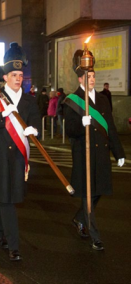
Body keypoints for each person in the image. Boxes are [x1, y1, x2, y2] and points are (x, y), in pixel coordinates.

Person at [0, 42, 41, 261]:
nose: (17, 78)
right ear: (5, 77)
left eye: (20, 75)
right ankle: (14, 246)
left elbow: (34, 124)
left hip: (18, 158)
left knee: (7, 198)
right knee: (7, 201)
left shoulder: (30, 101)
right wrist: (2, 116)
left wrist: (35, 131)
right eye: (13, 74)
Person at [64, 49, 125, 251]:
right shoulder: (72, 101)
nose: (92, 79)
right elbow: (71, 131)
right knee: (88, 194)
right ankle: (95, 236)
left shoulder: (103, 100)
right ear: (80, 79)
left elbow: (111, 128)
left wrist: (119, 153)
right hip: (84, 155)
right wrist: (82, 124)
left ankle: (79, 219)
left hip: (101, 155)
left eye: (93, 76)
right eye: (89, 76)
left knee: (99, 192)